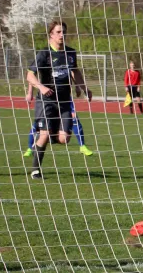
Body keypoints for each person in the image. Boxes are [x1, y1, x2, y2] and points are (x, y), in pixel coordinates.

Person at [27, 21, 92, 179]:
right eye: (58, 32)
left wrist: (84, 88)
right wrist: (41, 87)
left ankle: (44, 137)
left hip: (64, 101)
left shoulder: (70, 53)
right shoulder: (44, 54)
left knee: (64, 138)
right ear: (51, 34)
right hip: (46, 101)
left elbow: (75, 72)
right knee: (44, 134)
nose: (62, 35)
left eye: (63, 32)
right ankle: (35, 170)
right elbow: (30, 74)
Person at [23, 84, 93, 157]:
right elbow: (31, 75)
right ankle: (30, 148)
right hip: (47, 98)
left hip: (64, 97)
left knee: (74, 117)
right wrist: (30, 92)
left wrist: (77, 87)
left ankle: (82, 146)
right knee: (39, 123)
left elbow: (73, 73)